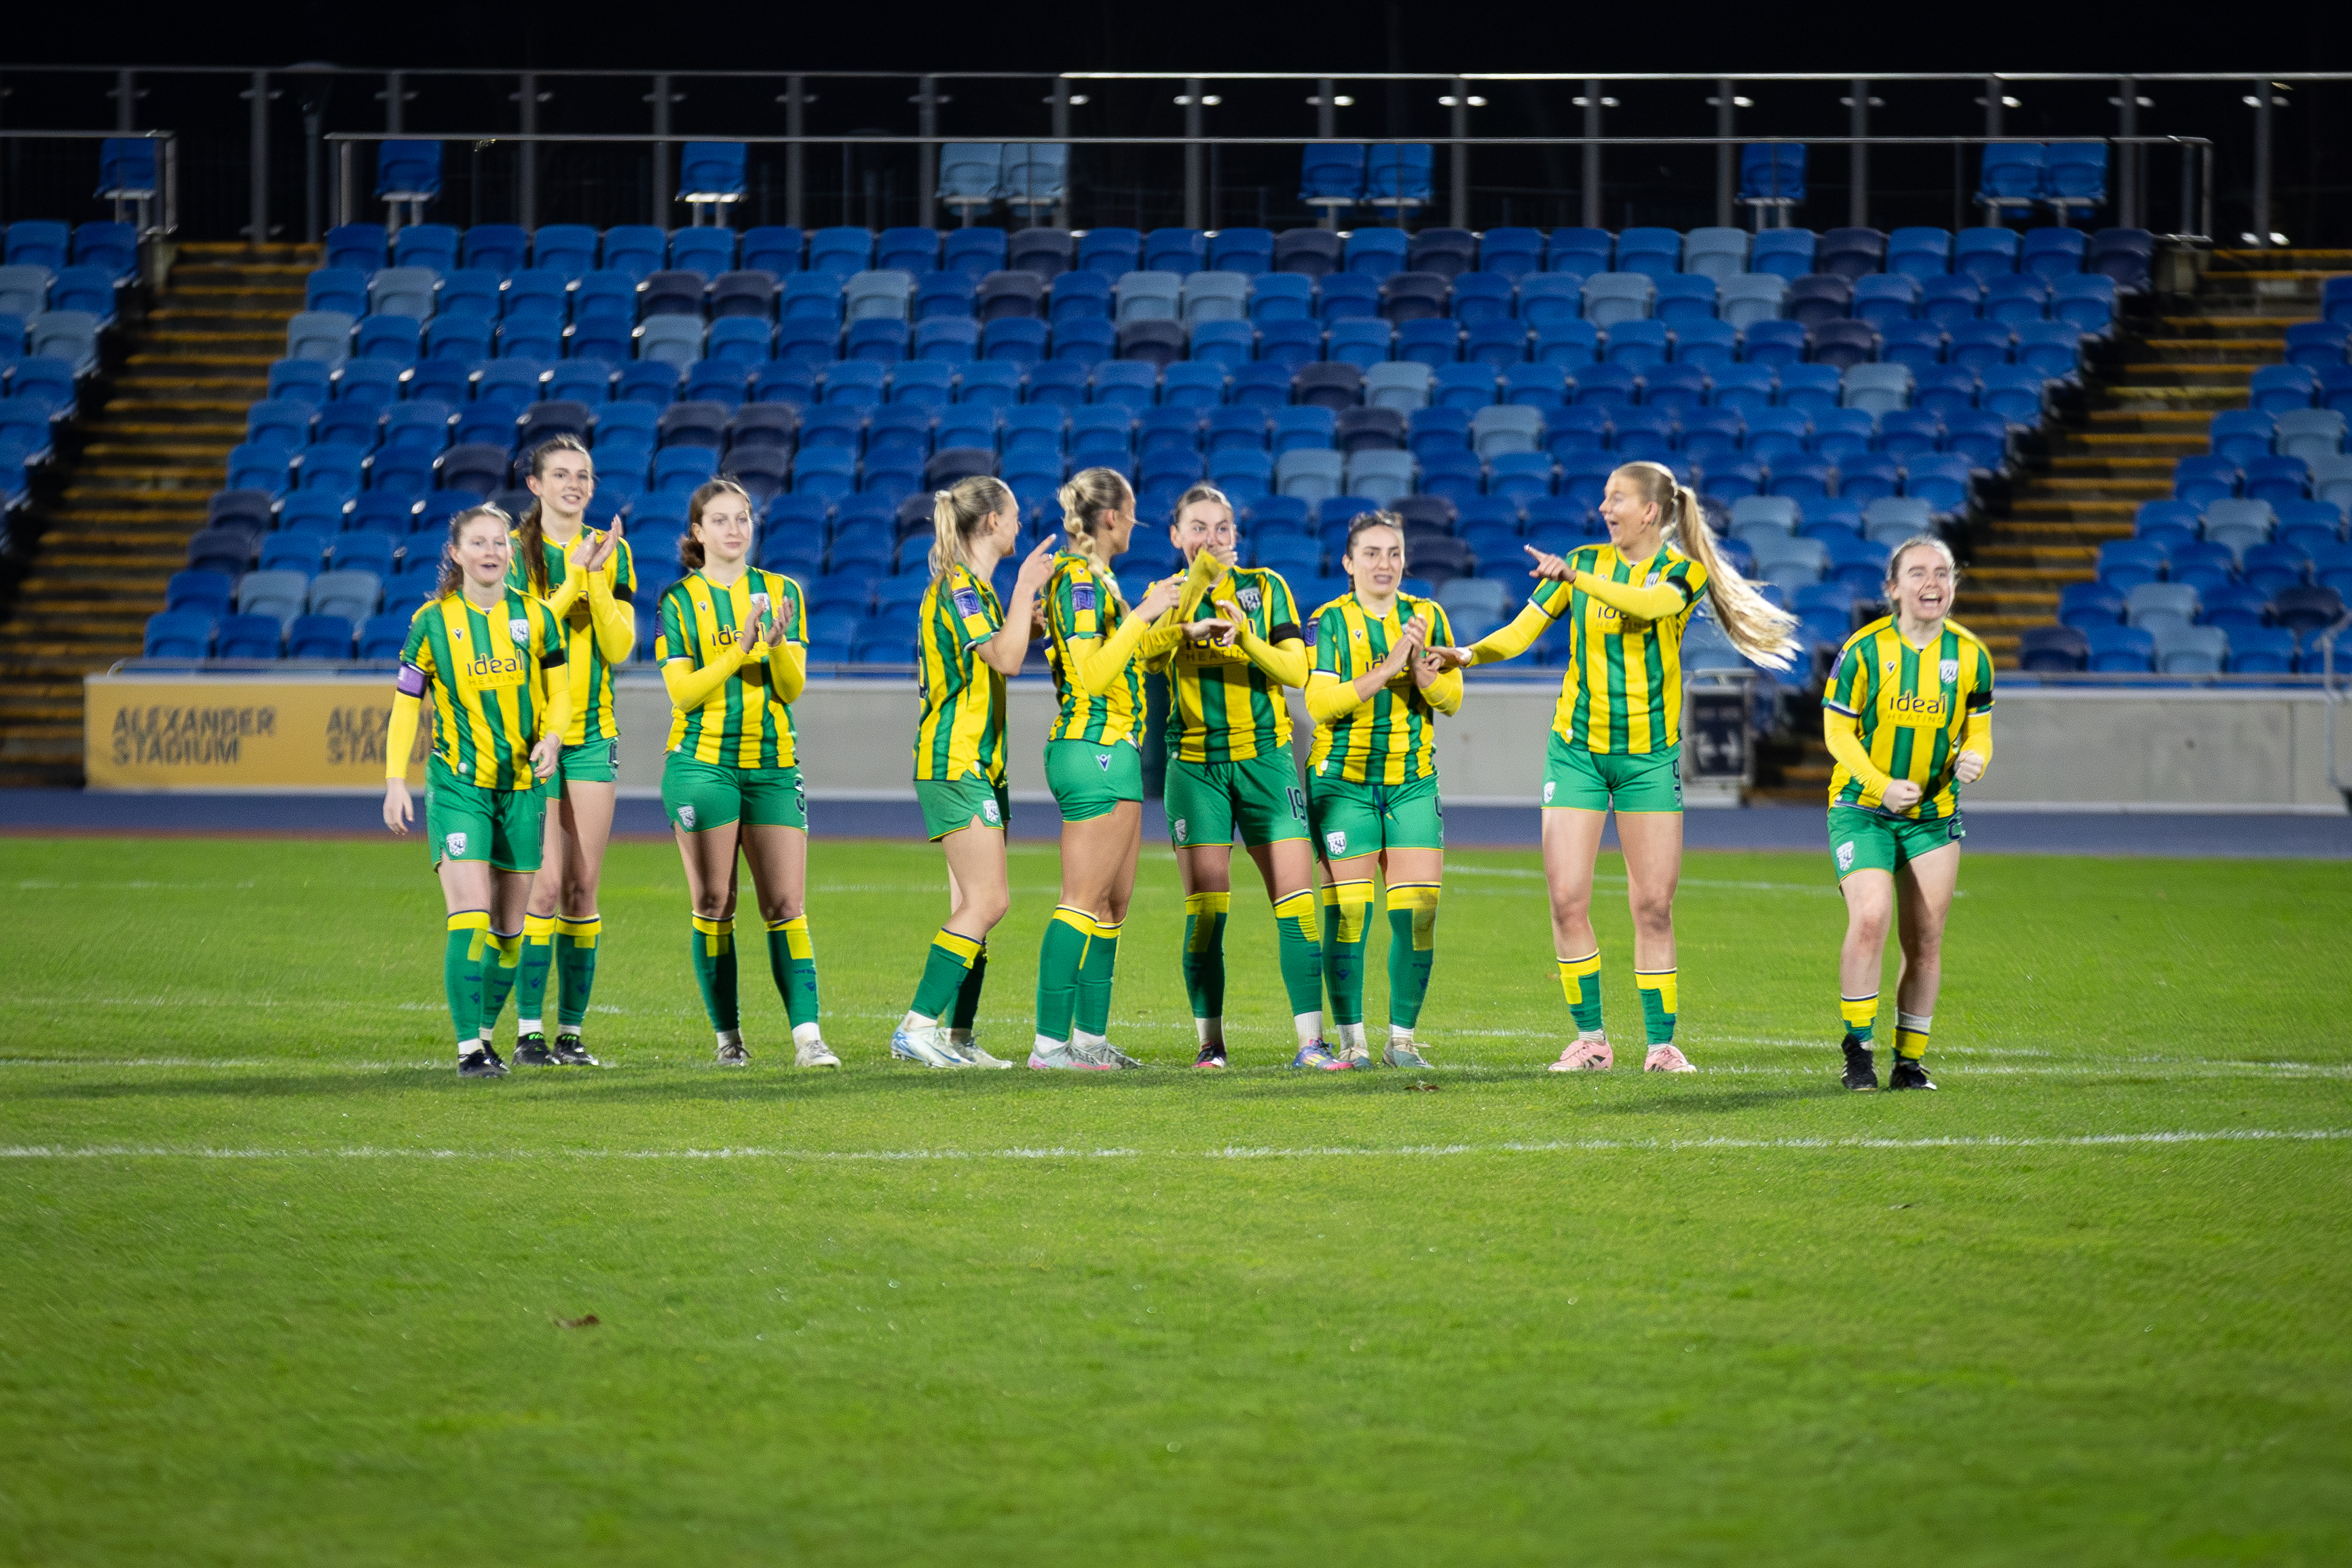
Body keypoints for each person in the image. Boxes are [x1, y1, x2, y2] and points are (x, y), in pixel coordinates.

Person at [1429, 461, 1797, 1074]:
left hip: (1647, 761)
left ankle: (1660, 1045)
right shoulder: (1584, 562)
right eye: (1604, 497)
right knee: (1566, 898)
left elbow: (1649, 605)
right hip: (1575, 754)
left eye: (1616, 498)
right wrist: (1466, 653)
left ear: (1650, 511)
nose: (1605, 507)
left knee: (1653, 906)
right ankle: (1591, 1040)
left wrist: (1576, 577)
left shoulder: (1682, 573)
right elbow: (1522, 631)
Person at [1028, 468, 1212, 1070]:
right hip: (1091, 747)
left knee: (1112, 906)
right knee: (1081, 900)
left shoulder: (1100, 581)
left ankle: (1088, 1040)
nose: (1135, 523)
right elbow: (1092, 675)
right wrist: (1145, 611)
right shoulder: (1078, 580)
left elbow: (1126, 653)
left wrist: (1177, 626)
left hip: (1119, 750)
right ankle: (1049, 1044)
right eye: (1130, 512)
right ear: (1110, 517)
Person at [381, 504, 570, 1078]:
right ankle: (468, 1049)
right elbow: (404, 707)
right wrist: (394, 781)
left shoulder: (537, 618)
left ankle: (487, 1036)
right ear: (457, 554)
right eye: (478, 543)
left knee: (510, 931)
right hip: (459, 785)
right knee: (470, 913)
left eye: (499, 543)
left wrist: (555, 738)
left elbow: (560, 693)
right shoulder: (431, 623)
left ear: (509, 553)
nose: (491, 551)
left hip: (521, 789)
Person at [654, 478, 837, 1068]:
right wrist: (740, 649)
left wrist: (777, 645)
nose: (735, 530)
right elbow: (682, 694)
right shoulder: (679, 601)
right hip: (701, 764)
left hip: (773, 766)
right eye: (721, 520)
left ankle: (809, 1040)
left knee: (786, 902)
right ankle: (727, 1039)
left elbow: (791, 688)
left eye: (743, 519)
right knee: (714, 900)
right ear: (697, 533)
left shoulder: (783, 591)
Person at [1150, 484, 1334, 1070]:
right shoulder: (1164, 597)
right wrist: (1186, 620)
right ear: (1176, 536)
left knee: (1296, 902)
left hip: (1266, 761)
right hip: (1195, 767)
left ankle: (1311, 1043)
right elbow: (1148, 658)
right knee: (1206, 910)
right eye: (1198, 527)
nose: (1213, 538)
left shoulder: (1264, 588)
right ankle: (1211, 1045)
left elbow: (1297, 670)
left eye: (1222, 527)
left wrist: (1245, 638)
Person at [891, 475, 1060, 1070]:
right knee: (988, 900)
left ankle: (958, 1036)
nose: (1018, 525)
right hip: (955, 760)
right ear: (990, 521)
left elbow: (1004, 648)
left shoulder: (977, 593)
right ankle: (916, 1026)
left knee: (970, 901)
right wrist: (1025, 594)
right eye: (1013, 515)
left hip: (980, 763)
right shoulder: (961, 589)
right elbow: (1008, 661)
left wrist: (1025, 618)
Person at [1823, 535, 1994, 1092]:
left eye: (1942, 573)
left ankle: (1909, 1062)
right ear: (1892, 589)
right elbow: (1836, 731)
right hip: (1862, 809)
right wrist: (1878, 783)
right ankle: (1858, 1052)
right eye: (1918, 573)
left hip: (1932, 815)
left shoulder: (1971, 656)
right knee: (1870, 918)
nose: (1932, 584)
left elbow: (1980, 732)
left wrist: (1976, 759)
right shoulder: (1865, 650)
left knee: (1925, 939)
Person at [1302, 512, 1462, 1069]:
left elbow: (1452, 700)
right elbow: (1319, 704)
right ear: (1348, 564)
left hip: (1411, 783)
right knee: (1348, 914)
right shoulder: (1327, 621)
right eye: (1370, 553)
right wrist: (1390, 664)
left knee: (1418, 912)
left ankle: (1401, 1041)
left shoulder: (1428, 615)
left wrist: (1421, 673)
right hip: (1343, 784)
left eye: (1393, 553)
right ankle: (1352, 1042)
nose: (1383, 564)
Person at [504, 434, 635, 1068]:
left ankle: (570, 1034)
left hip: (593, 735)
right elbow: (524, 639)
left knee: (583, 888)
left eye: (583, 475)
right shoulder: (514, 554)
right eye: (560, 475)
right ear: (536, 486)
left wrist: (598, 575)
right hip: (532, 736)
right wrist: (575, 575)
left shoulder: (619, 554)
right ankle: (529, 1030)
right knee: (545, 887)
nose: (574, 485)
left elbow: (618, 648)